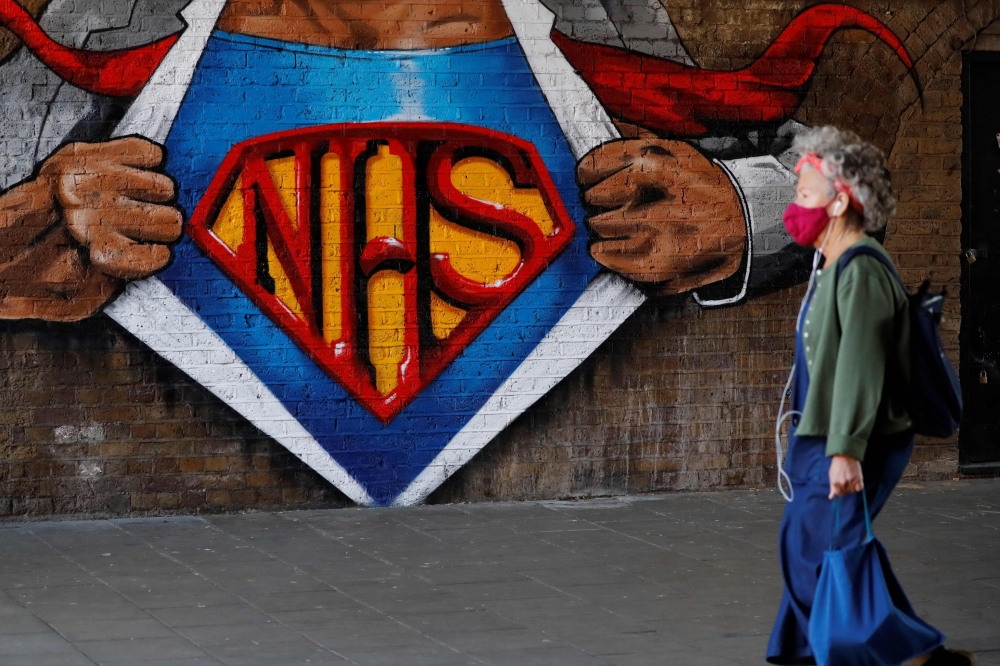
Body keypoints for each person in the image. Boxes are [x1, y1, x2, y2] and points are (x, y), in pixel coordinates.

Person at [767, 126, 973, 666]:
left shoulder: (861, 270)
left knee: (821, 550)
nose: (795, 206)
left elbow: (861, 364)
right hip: (823, 435)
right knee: (813, 548)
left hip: (852, 440)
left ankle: (901, 655)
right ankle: (901, 654)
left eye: (804, 196)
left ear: (840, 202)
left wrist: (845, 452)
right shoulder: (832, 266)